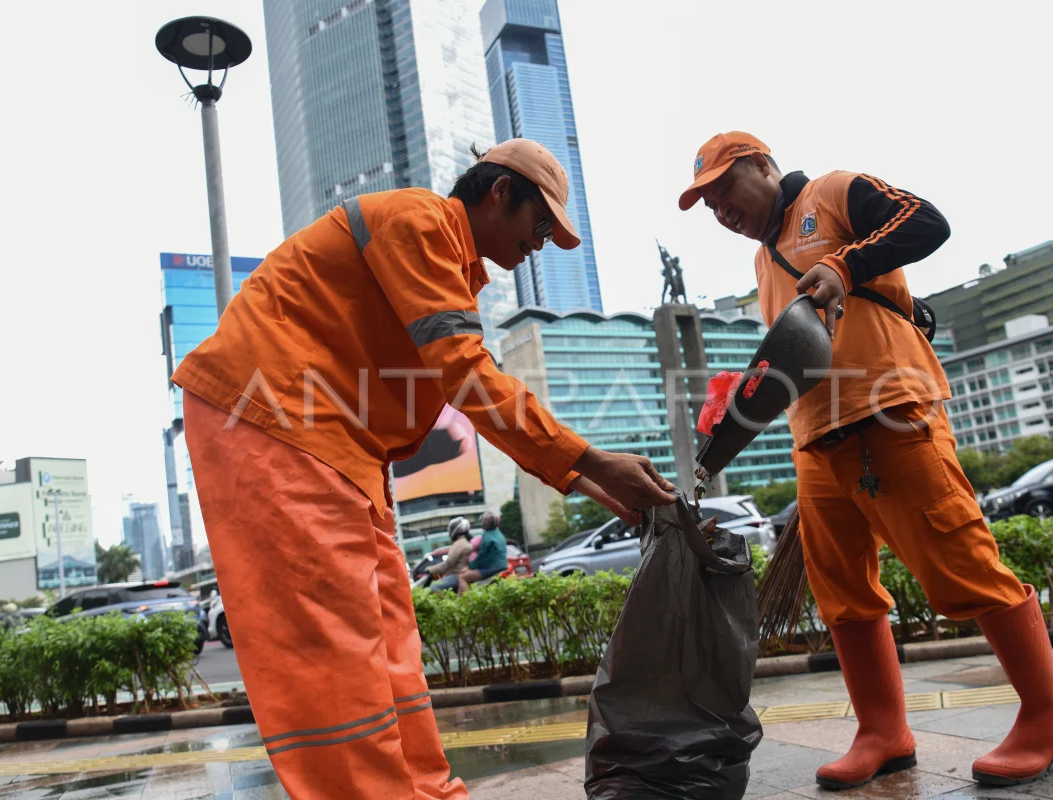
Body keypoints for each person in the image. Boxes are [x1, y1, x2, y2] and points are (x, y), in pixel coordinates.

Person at [173, 137, 676, 800]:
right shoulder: (421, 223)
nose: (541, 245)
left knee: (390, 642)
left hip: (336, 444)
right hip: (272, 421)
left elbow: (460, 381)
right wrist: (591, 461)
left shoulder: (449, 263)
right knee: (334, 653)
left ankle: (428, 790)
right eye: (540, 226)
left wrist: (588, 481)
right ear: (499, 192)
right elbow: (467, 375)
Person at [679, 133, 1053, 790]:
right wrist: (741, 397)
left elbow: (927, 221)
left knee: (966, 568)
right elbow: (801, 349)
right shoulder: (761, 260)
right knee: (843, 597)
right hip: (816, 439)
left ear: (762, 165)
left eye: (725, 190)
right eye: (709, 204)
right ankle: (883, 733)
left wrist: (844, 265)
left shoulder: (832, 193)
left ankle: (1046, 716)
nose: (721, 210)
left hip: (891, 413)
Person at [456, 511, 506, 593]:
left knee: (462, 577)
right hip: (503, 566)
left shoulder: (487, 537)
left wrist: (469, 567)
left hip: (491, 568)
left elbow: (481, 557)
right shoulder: (500, 535)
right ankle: (459, 599)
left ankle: (468, 599)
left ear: (485, 523)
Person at [426, 517, 474, 593]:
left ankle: (447, 601)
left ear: (456, 530)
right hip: (465, 575)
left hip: (457, 576)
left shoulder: (459, 543)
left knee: (433, 588)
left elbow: (447, 564)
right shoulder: (467, 541)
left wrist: (430, 569)